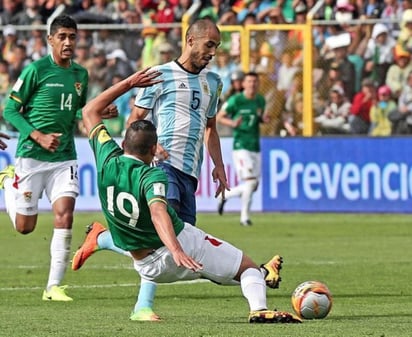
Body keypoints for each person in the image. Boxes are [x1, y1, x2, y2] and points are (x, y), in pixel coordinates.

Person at [80, 69, 300, 324]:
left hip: (146, 267)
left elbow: (89, 111)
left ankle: (262, 274)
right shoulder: (153, 176)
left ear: (123, 143)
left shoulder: (106, 158)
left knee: (216, 269)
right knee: (246, 267)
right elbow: (158, 212)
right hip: (173, 250)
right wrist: (176, 249)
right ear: (154, 150)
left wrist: (129, 82)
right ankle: (259, 307)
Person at [72, 18, 229, 321]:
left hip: (189, 173)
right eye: (209, 44)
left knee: (175, 249)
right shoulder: (160, 75)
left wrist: (218, 165)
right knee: (162, 237)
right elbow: (136, 119)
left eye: (216, 46)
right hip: (162, 168)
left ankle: (103, 239)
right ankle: (142, 307)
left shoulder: (214, 82)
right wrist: (152, 147)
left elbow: (210, 127)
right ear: (190, 40)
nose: (213, 51)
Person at [0, 15, 117, 302]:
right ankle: (8, 181)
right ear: (50, 39)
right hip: (32, 156)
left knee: (65, 215)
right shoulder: (36, 70)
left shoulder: (80, 75)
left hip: (65, 157)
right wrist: (37, 135)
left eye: (72, 37)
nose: (67, 42)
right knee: (25, 228)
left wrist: (95, 113)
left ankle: (53, 287)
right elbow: (10, 111)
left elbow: (75, 113)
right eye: (62, 36)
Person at [216, 72, 269, 226]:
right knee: (251, 182)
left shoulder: (260, 100)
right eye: (249, 81)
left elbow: (258, 117)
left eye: (255, 81)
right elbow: (220, 116)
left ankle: (224, 195)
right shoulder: (236, 100)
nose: (252, 84)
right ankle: (244, 218)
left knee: (253, 185)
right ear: (243, 84)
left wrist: (262, 119)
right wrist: (232, 123)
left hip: (255, 145)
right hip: (241, 145)